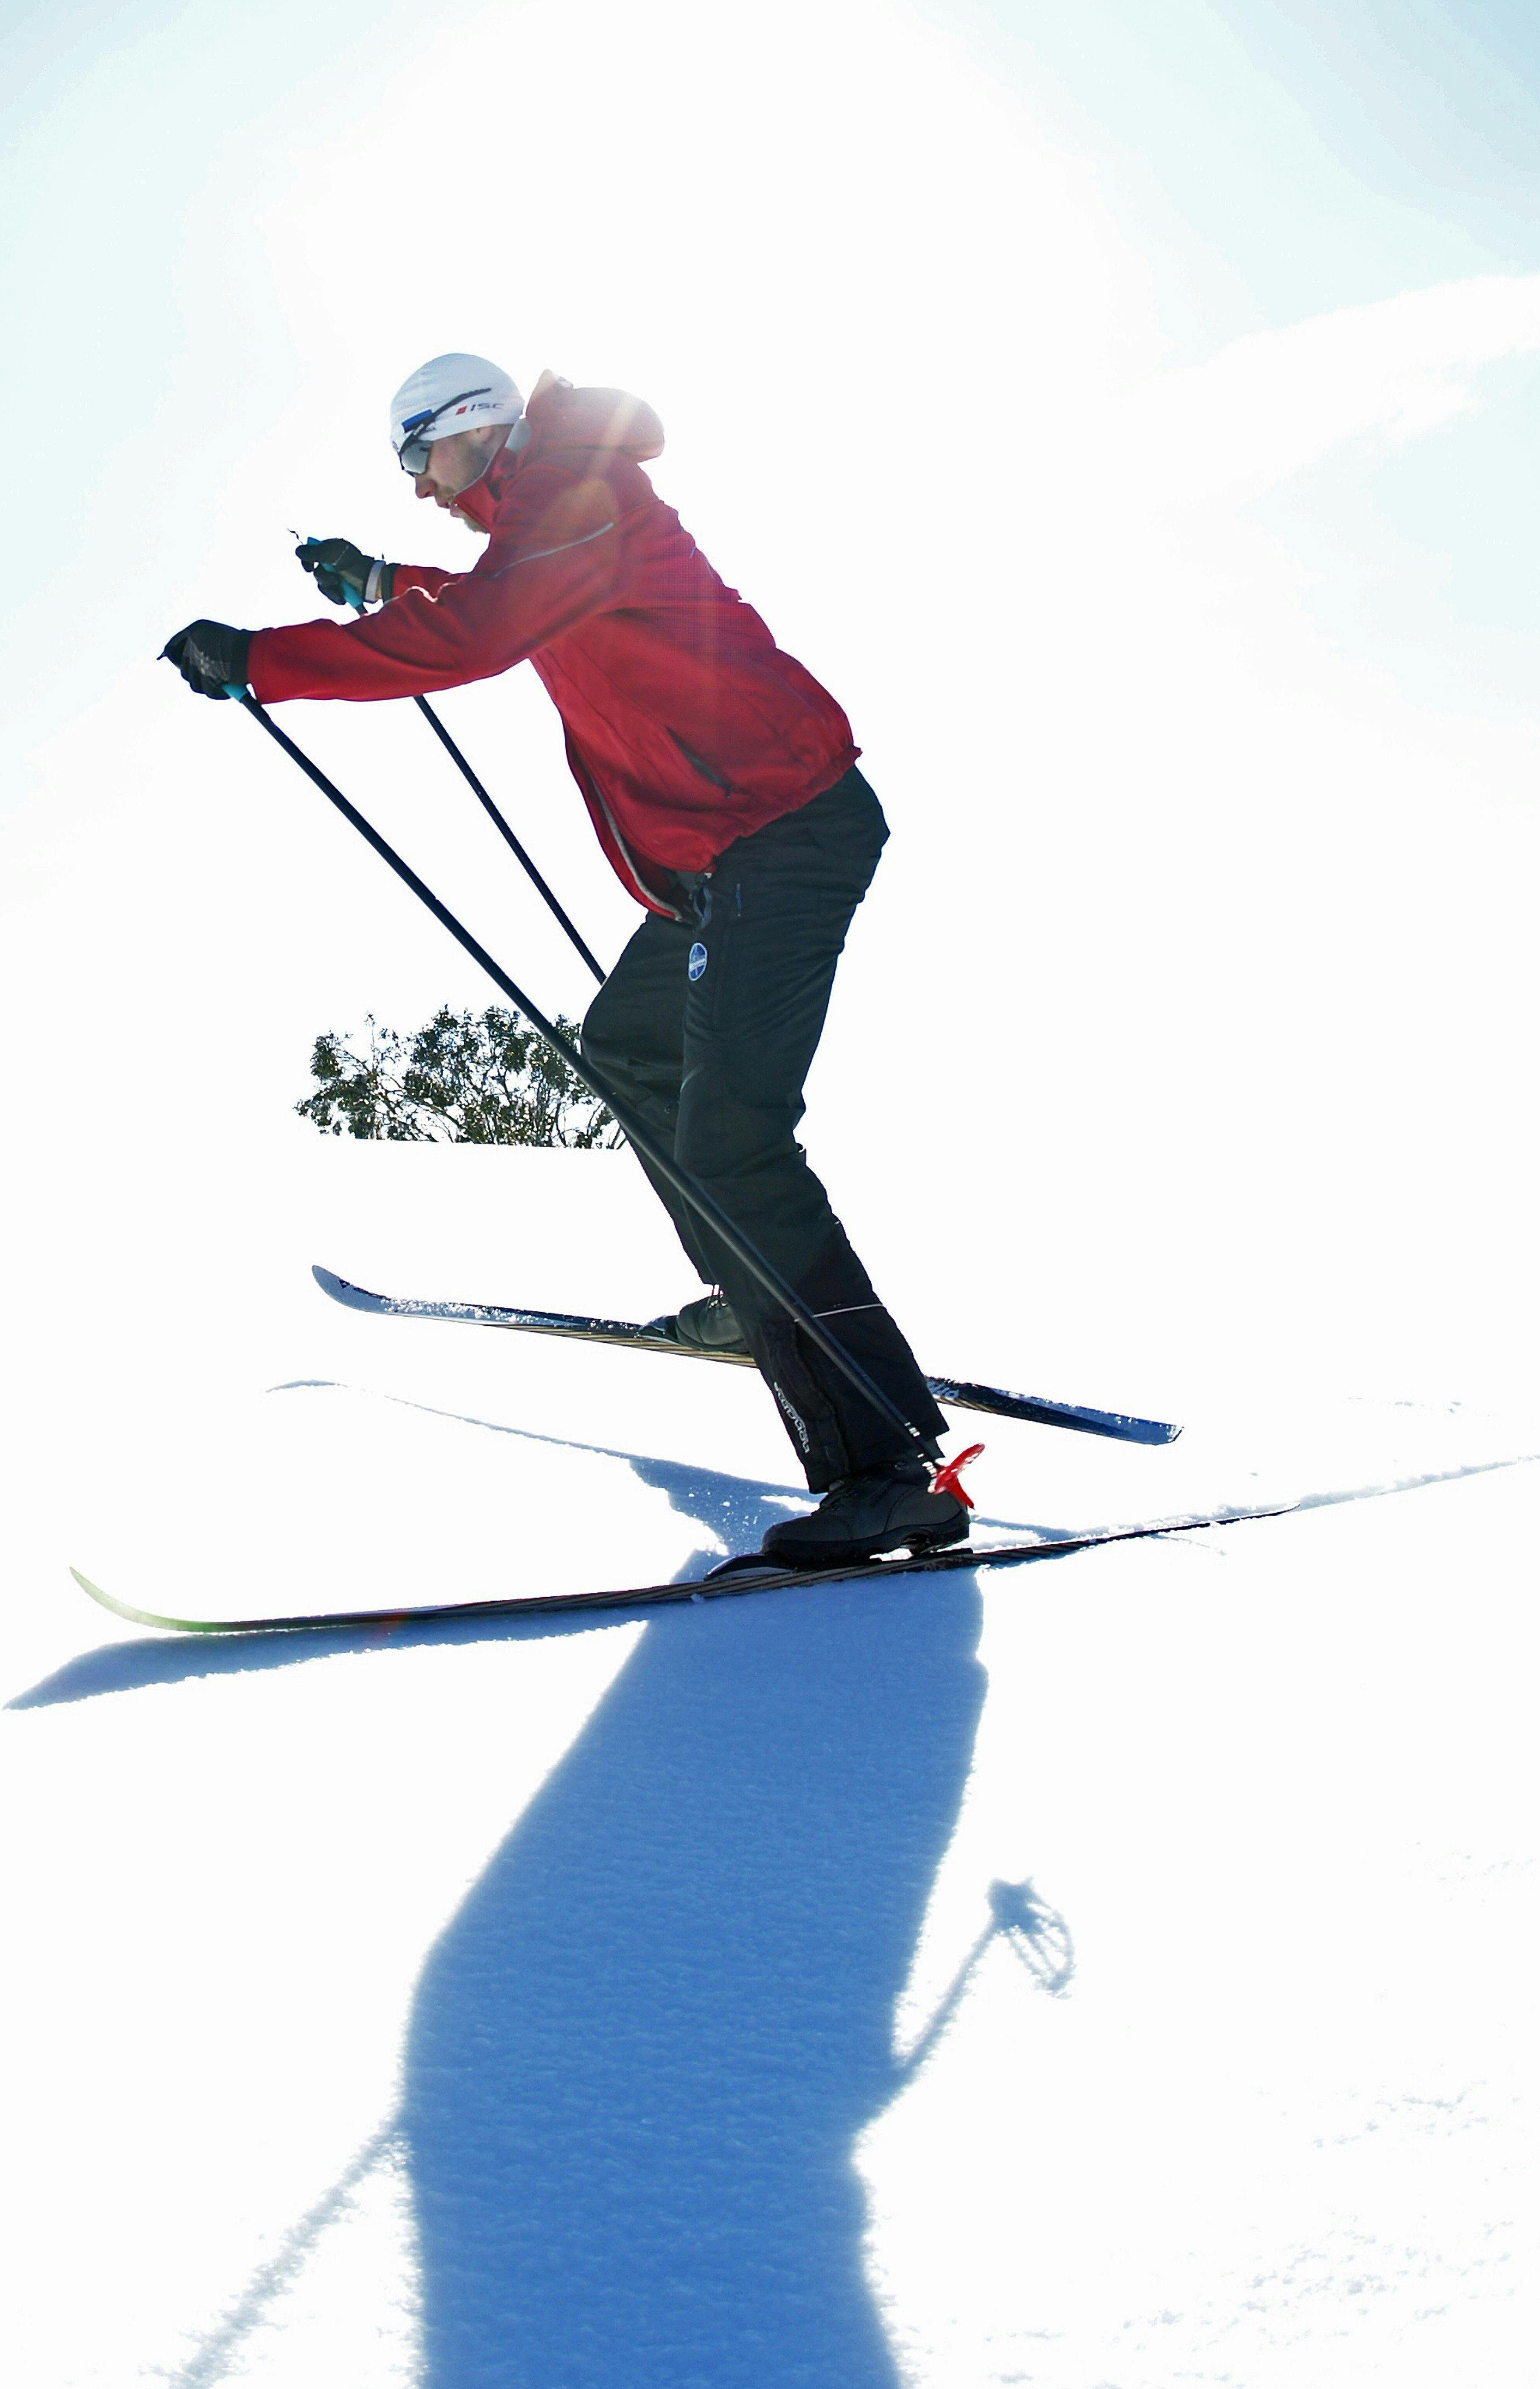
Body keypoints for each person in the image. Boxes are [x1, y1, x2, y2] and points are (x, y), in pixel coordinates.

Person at [162, 354, 971, 1566]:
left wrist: (268, 657)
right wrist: (382, 581)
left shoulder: (575, 495)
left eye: (419, 456)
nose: (419, 485)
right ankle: (754, 1299)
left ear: (474, 428)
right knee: (628, 1046)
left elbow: (487, 627)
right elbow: (506, 601)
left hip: (780, 833)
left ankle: (891, 1468)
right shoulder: (548, 514)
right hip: (723, 857)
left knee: (735, 1142)